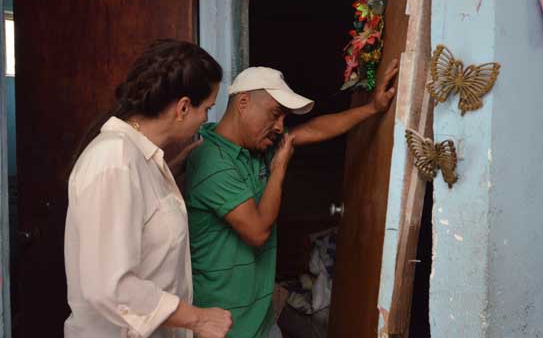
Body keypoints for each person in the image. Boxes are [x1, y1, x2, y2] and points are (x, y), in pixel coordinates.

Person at [184, 61, 399, 338]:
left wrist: (373, 108)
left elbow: (313, 130)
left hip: (261, 320)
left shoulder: (254, 148)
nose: (279, 126)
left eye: (284, 117)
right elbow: (257, 232)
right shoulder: (212, 161)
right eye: (275, 114)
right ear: (243, 102)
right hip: (223, 327)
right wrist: (279, 170)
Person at [64, 39, 232, 338]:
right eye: (206, 108)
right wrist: (198, 319)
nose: (206, 119)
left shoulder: (143, 158)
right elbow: (110, 286)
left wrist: (173, 168)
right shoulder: (114, 161)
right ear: (182, 107)